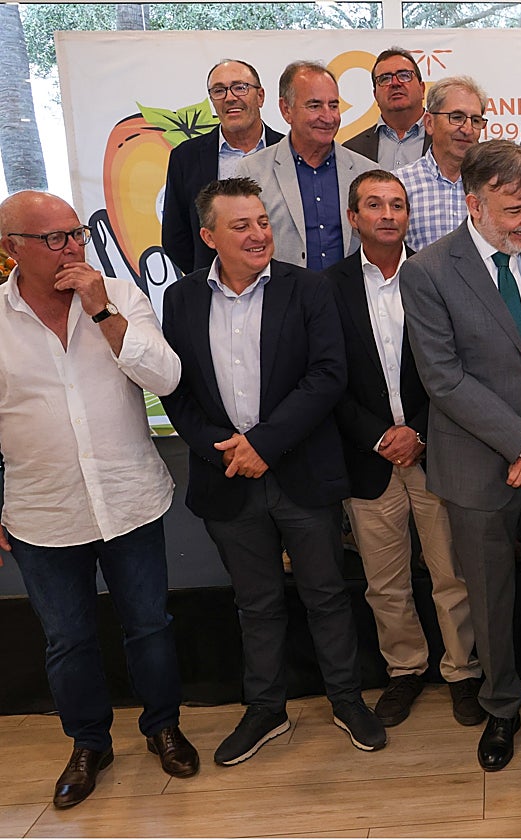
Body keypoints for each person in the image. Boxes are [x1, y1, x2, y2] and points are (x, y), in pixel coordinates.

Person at [161, 177, 386, 763]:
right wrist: (224, 449)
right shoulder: (182, 299)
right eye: (242, 225)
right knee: (255, 602)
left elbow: (327, 376)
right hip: (227, 478)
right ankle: (265, 710)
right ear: (209, 236)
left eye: (262, 221)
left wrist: (263, 444)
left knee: (327, 595)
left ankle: (346, 700)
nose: (260, 234)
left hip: (300, 472)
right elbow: (176, 392)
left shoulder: (307, 289)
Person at [0, 191, 198, 808]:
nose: (71, 248)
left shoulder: (119, 295)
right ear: (13, 249)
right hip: (42, 509)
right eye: (53, 238)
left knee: (149, 625)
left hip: (129, 497)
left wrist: (104, 310)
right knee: (68, 639)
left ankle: (163, 727)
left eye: (76, 234)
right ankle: (88, 744)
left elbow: (166, 377)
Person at [400, 141, 521, 772]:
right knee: (489, 594)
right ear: (472, 203)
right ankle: (501, 707)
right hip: (477, 468)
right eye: (514, 210)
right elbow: (444, 380)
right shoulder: (426, 271)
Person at [326, 170, 484, 729]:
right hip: (369, 458)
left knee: (451, 573)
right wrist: (380, 436)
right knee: (384, 581)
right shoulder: (330, 287)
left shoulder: (436, 275)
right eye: (374, 205)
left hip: (433, 447)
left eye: (398, 204)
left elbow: (457, 367)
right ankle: (405, 670)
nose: (388, 214)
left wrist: (416, 430)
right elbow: (328, 378)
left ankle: (462, 671)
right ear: (353, 217)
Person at [236, 60, 375, 270]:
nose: (328, 117)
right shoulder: (251, 171)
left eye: (334, 105)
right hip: (282, 297)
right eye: (315, 106)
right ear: (286, 109)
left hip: (347, 299)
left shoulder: (367, 172)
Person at [161, 59, 285, 272]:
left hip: (284, 286)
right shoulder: (186, 157)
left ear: (261, 96)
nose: (230, 98)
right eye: (219, 91)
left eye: (240, 87)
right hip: (214, 291)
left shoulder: (288, 151)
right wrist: (209, 278)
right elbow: (175, 236)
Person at [396, 76, 487, 252]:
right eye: (457, 117)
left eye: (475, 120)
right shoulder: (400, 184)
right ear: (429, 123)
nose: (467, 129)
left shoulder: (492, 184)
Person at [343, 47, 432, 169]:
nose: (395, 83)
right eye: (385, 78)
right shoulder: (351, 151)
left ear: (422, 89)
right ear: (375, 95)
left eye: (404, 75)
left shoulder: (450, 138)